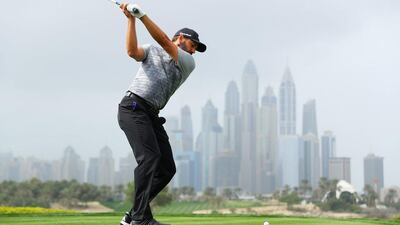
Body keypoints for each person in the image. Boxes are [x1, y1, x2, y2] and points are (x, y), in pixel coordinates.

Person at [116, 3, 206, 225]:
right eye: (192, 44)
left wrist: (143, 15)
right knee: (149, 158)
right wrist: (131, 19)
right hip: (133, 107)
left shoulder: (188, 62)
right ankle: (139, 218)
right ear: (180, 38)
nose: (194, 50)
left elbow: (164, 41)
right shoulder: (151, 50)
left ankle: (134, 214)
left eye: (195, 48)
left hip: (151, 114)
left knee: (166, 168)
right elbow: (131, 51)